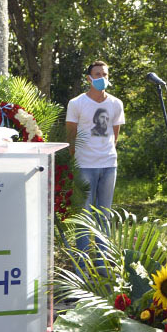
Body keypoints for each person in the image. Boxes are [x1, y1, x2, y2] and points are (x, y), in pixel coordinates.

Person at [65, 61, 125, 247]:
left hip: (108, 166)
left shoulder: (116, 103)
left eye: (105, 74)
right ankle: (81, 269)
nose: (102, 78)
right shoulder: (77, 103)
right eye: (97, 74)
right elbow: (70, 136)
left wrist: (106, 153)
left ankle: (102, 265)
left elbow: (115, 135)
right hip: (84, 166)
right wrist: (78, 157)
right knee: (83, 217)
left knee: (104, 215)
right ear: (89, 78)